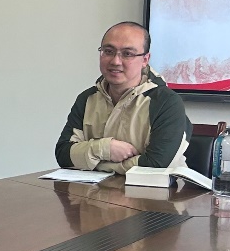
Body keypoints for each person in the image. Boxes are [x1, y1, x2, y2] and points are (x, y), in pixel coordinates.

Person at [56, 21, 191, 174]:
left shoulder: (166, 102)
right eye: (108, 51)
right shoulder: (87, 98)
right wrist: (104, 148)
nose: (115, 61)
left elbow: (154, 165)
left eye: (127, 54)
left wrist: (96, 164)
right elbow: (63, 155)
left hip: (158, 189)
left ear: (145, 60)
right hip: (95, 188)